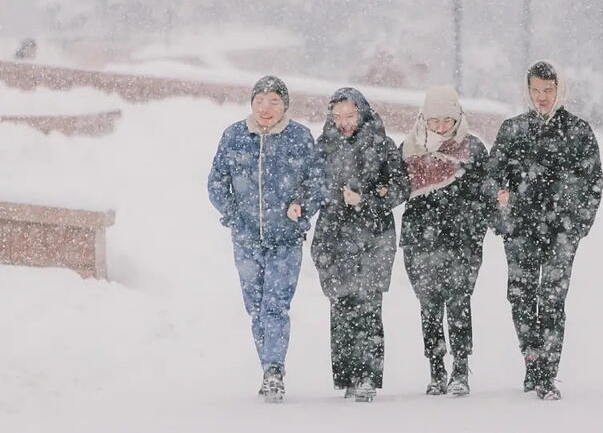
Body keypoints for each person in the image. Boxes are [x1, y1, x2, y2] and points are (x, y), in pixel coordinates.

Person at [487, 60, 603, 400]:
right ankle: (532, 360)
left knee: (552, 299)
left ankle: (547, 375)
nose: (541, 97)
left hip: (561, 232)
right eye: (536, 90)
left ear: (559, 91)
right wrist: (501, 200)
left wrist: (577, 226)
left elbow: (593, 182)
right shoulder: (512, 130)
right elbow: (493, 175)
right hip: (520, 229)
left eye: (548, 90)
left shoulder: (578, 131)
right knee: (521, 297)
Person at [207, 75, 324, 403]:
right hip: (246, 240)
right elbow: (216, 181)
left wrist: (300, 207)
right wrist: (232, 214)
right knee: (256, 308)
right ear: (252, 104)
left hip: (285, 240)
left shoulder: (299, 137)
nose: (266, 108)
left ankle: (274, 369)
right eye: (260, 101)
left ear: (285, 105)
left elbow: (316, 182)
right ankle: (267, 365)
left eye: (274, 101)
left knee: (275, 306)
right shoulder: (234, 136)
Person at [311, 87, 410, 403]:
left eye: (349, 115)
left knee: (368, 307)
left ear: (363, 113)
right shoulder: (323, 146)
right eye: (337, 116)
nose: (344, 122)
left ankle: (367, 375)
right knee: (341, 307)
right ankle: (347, 377)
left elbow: (400, 187)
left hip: (373, 237)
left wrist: (367, 200)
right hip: (334, 237)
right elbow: (311, 186)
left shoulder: (382, 146)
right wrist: (331, 199)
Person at [400, 85, 490, 396]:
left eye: (447, 120)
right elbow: (396, 192)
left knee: (459, 305)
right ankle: (436, 370)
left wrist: (473, 232)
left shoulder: (473, 150)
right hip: (419, 243)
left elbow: (486, 197)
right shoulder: (410, 150)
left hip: (462, 244)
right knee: (428, 307)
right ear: (423, 118)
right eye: (434, 120)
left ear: (458, 118)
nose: (441, 127)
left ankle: (461, 369)